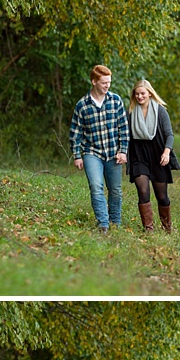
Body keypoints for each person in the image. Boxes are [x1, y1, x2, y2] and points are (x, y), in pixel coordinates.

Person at [69, 64, 130, 233]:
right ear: (94, 81)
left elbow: (123, 128)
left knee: (115, 189)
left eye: (109, 82)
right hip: (91, 153)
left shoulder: (115, 101)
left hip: (113, 152)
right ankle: (103, 224)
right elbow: (76, 132)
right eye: (104, 82)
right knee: (96, 187)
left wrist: (123, 150)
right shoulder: (82, 105)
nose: (107, 85)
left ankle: (115, 222)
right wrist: (77, 155)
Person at [125, 79, 180, 232]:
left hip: (158, 155)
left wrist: (167, 152)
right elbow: (125, 135)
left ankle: (167, 227)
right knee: (143, 191)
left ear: (149, 93)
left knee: (161, 196)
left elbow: (169, 134)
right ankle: (148, 229)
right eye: (136, 94)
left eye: (142, 93)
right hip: (138, 155)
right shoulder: (130, 111)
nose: (139, 97)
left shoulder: (160, 111)